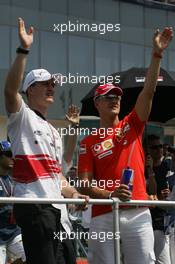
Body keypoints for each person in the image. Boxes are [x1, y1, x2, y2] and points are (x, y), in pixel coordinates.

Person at [78, 27, 173, 264]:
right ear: (97, 103)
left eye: (118, 96)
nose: (115, 100)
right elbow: (84, 183)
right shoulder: (88, 142)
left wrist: (156, 55)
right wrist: (111, 194)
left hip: (138, 211)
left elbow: (148, 92)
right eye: (109, 96)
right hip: (103, 212)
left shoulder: (133, 124)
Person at [4, 17, 88, 264]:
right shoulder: (22, 117)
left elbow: (60, 173)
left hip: (59, 212)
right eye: (45, 84)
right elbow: (9, 91)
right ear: (30, 89)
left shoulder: (52, 130)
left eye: (53, 84)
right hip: (35, 206)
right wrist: (24, 49)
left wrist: (73, 194)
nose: (52, 87)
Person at [144, 134, 171, 264]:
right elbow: (153, 194)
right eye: (154, 147)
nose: (159, 149)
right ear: (147, 150)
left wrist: (169, 194)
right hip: (151, 221)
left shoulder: (168, 166)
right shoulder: (142, 168)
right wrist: (149, 169)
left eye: (160, 146)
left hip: (167, 222)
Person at [0, 140, 26, 264]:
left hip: (13, 231)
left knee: (31, 255)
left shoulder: (13, 179)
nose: (13, 158)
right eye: (9, 154)